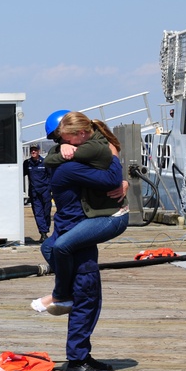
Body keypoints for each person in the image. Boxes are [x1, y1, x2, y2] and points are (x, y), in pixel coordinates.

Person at [32, 111, 129, 316]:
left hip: (110, 213)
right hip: (91, 212)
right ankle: (68, 292)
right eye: (58, 139)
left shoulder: (94, 149)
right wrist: (62, 148)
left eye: (61, 138)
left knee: (63, 247)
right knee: (50, 247)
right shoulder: (76, 149)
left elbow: (111, 176)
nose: (60, 142)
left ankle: (62, 295)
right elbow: (52, 158)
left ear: (80, 133)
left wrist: (124, 182)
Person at [23, 145, 52, 241]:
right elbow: (20, 174)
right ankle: (43, 233)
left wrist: (50, 189)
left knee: (46, 212)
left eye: (35, 150)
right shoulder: (27, 163)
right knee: (38, 213)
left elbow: (51, 176)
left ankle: (46, 229)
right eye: (32, 150)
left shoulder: (45, 162)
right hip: (34, 193)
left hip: (45, 191)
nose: (33, 152)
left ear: (38, 151)